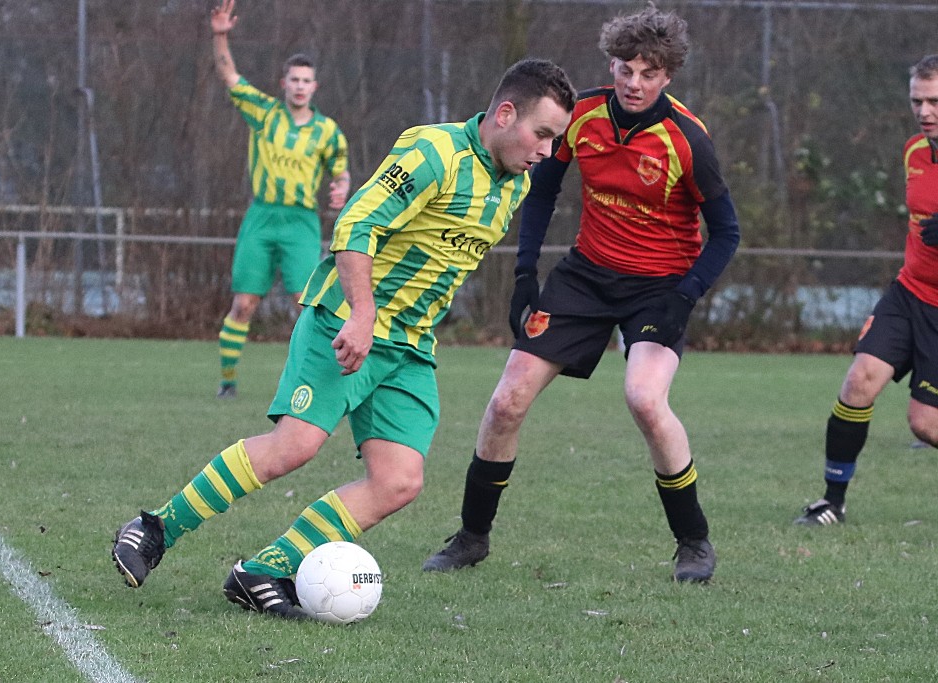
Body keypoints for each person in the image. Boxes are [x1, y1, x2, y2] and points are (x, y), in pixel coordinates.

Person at [112, 58, 577, 619]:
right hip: (345, 320)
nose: (547, 151)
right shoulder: (434, 152)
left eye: (556, 139)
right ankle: (155, 528)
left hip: (409, 348)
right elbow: (356, 224)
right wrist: (362, 314)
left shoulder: (515, 184)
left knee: (398, 481)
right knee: (294, 446)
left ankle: (263, 571)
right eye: (542, 134)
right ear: (505, 114)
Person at [422, 5, 740, 583]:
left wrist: (685, 296)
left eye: (648, 73)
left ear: (668, 75)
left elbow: (727, 232)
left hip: (659, 288)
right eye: (625, 69)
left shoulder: (688, 139)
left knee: (645, 400)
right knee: (506, 401)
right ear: (611, 64)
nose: (634, 83)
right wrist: (525, 273)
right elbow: (542, 190)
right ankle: (471, 537)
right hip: (585, 276)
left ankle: (694, 543)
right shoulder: (583, 115)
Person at [794, 54, 938, 526]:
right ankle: (832, 502)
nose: (924, 111)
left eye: (935, 101)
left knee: (925, 424)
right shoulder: (914, 152)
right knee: (859, 382)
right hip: (909, 293)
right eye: (917, 100)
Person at [210, 0, 351, 399]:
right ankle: (227, 382)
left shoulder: (328, 131)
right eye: (294, 80)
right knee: (244, 304)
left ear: (314, 87)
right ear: (284, 83)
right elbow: (229, 76)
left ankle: (309, 382)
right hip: (262, 217)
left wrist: (341, 187)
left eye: (306, 81)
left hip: (301, 222)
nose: (300, 86)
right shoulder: (265, 114)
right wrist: (220, 36)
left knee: (306, 305)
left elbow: (341, 171)